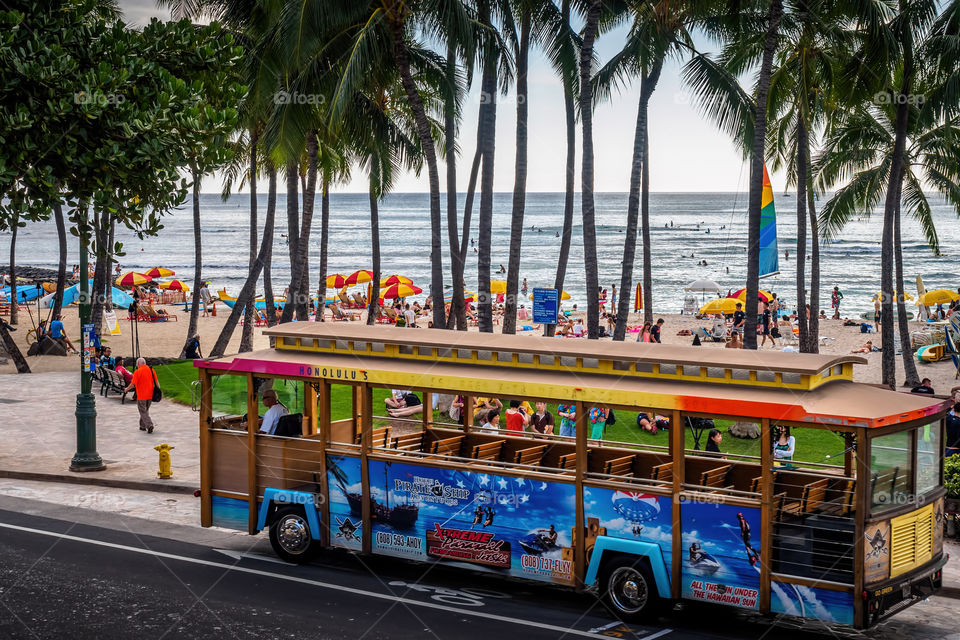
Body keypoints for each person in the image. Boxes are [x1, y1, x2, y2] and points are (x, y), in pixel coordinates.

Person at [124, 357, 156, 433]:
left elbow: (133, 384)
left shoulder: (138, 372)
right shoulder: (151, 370)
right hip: (150, 395)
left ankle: (149, 425)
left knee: (143, 411)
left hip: (142, 395)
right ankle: (142, 426)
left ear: (138, 364)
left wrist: (126, 389)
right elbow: (156, 382)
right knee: (145, 411)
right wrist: (158, 390)